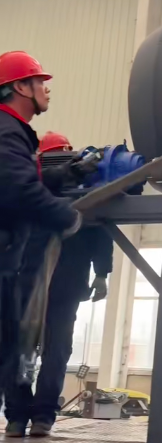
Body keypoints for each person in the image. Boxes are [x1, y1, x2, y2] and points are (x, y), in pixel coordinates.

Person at [4, 132, 114, 438]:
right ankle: (37, 417)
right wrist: (101, 274)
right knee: (53, 351)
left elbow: (99, 231)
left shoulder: (26, 190)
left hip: (31, 285)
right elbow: (101, 232)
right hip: (58, 285)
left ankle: (20, 418)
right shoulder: (79, 193)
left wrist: (102, 273)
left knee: (21, 351)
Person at [0, 52, 81, 433]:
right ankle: (20, 416)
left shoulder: (13, 131)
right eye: (39, 82)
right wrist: (66, 215)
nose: (46, 89)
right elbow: (18, 189)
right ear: (20, 86)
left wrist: (58, 177)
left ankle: (23, 417)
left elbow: (17, 180)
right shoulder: (6, 130)